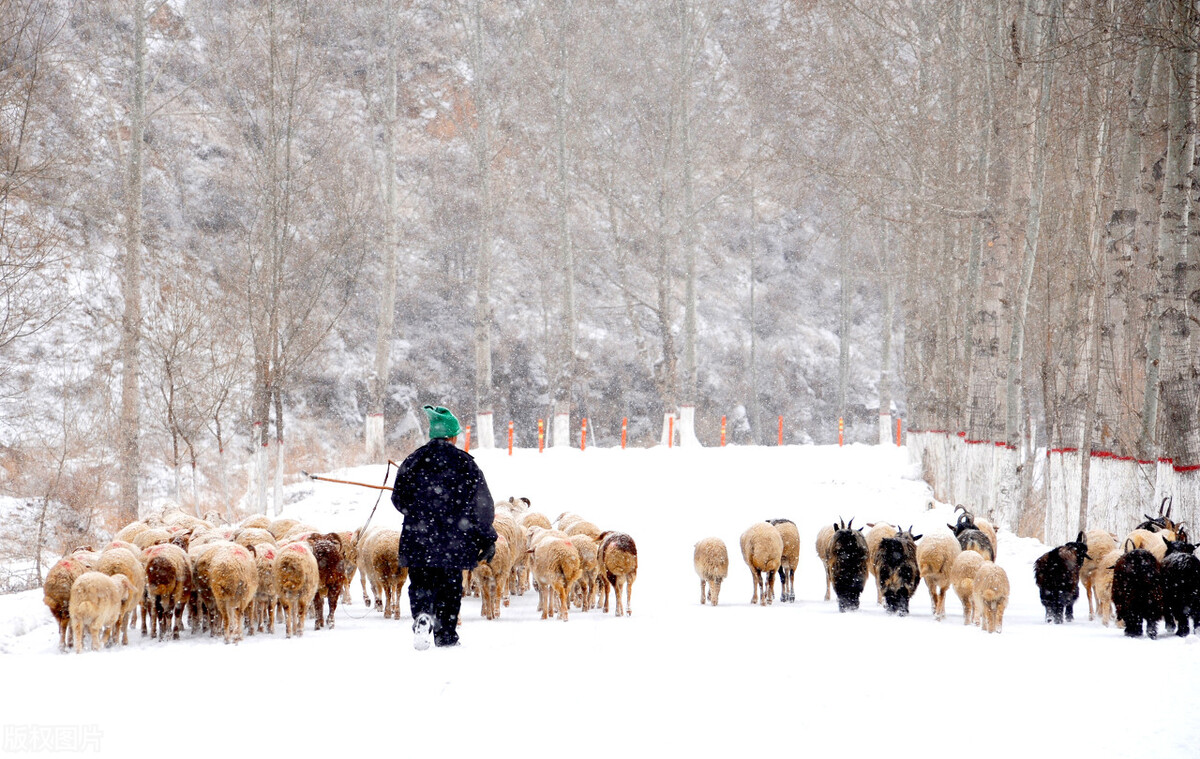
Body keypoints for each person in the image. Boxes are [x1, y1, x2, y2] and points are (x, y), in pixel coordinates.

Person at [391, 404, 497, 649]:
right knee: (450, 586)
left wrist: (419, 515)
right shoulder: (465, 464)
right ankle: (446, 635)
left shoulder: (414, 460)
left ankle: (422, 617)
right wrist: (487, 537)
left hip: (418, 538)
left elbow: (398, 498)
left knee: (421, 582)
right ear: (452, 436)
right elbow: (481, 505)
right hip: (454, 540)